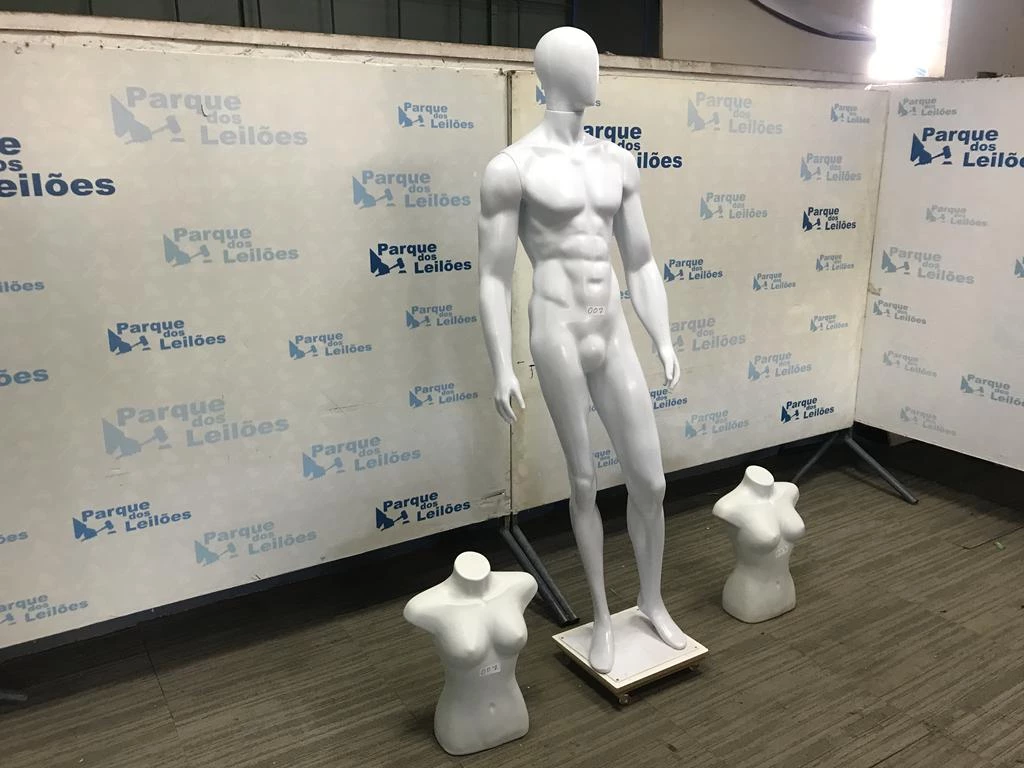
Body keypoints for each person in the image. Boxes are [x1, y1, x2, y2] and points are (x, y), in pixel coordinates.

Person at [478, 26, 685, 673]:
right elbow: (492, 277)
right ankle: (599, 615)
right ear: (555, 74)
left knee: (650, 480)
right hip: (558, 329)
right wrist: (500, 365)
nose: (597, 71)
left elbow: (641, 260)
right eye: (587, 62)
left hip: (611, 327)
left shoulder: (617, 161)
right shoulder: (512, 167)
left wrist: (662, 335)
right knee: (584, 482)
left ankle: (650, 600)